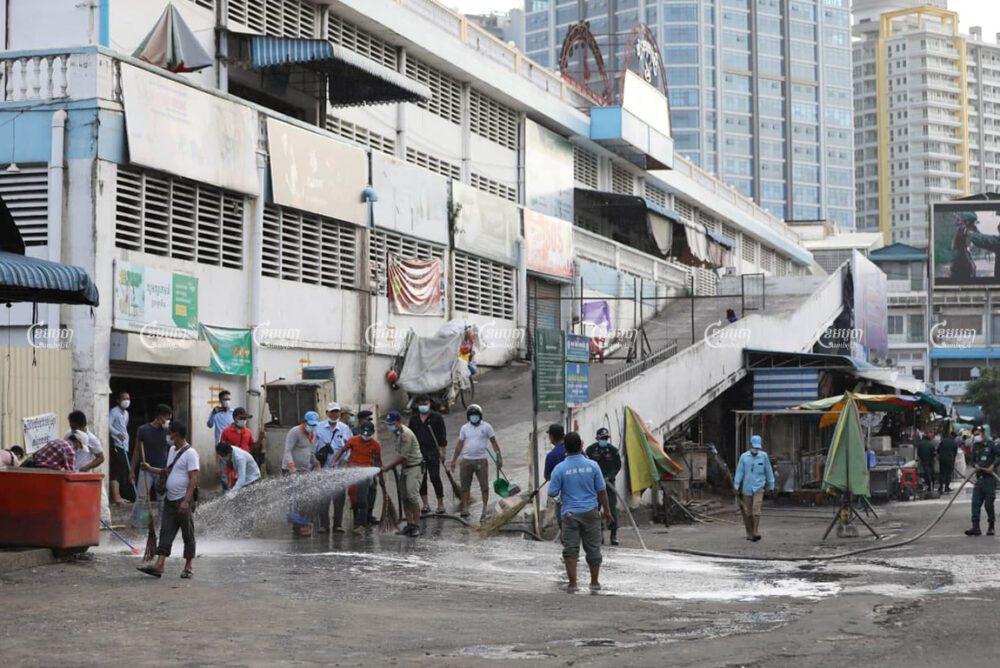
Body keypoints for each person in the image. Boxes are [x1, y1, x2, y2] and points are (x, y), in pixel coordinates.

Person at [548, 432, 615, 592]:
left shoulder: (560, 468)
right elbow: (602, 491)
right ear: (581, 445)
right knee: (593, 548)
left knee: (570, 549)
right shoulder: (593, 466)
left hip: (569, 514)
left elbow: (552, 492)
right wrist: (607, 512)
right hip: (591, 512)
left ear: (566, 448)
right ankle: (594, 582)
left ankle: (573, 584)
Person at [137, 421, 199, 579]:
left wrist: (186, 501)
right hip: (170, 500)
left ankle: (188, 566)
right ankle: (160, 565)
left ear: (176, 434)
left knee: (188, 534)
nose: (168, 436)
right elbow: (167, 472)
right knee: (166, 532)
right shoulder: (172, 450)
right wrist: (149, 468)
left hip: (183, 500)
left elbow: (193, 479)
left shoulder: (191, 453)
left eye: (170, 433)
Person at [449, 404, 503, 522]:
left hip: (481, 460)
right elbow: (459, 445)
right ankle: (465, 508)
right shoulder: (464, 428)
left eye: (476, 415)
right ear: (468, 417)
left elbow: (494, 443)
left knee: (484, 487)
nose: (474, 418)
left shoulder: (487, 427)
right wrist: (454, 460)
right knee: (465, 487)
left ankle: (484, 510)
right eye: (472, 416)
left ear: (480, 416)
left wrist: (499, 457)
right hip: (466, 461)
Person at [331, 422, 382, 534]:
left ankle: (361, 525)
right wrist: (334, 461)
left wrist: (380, 473)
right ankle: (356, 521)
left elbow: (378, 460)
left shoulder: (375, 445)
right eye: (364, 434)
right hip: (352, 472)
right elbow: (342, 451)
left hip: (365, 474)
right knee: (354, 498)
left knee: (363, 499)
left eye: (368, 434)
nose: (365, 436)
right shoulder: (353, 440)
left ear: (372, 433)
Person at [381, 411, 424, 537]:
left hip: (414, 467)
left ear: (398, 422)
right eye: (388, 424)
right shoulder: (397, 433)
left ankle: (416, 525)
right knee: (404, 496)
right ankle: (410, 524)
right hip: (405, 468)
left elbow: (403, 457)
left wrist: (388, 467)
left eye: (392, 424)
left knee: (412, 496)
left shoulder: (405, 434)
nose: (389, 426)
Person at [129, 405, 172, 530]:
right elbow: (137, 451)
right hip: (146, 470)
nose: (168, 421)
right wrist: (132, 470)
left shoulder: (168, 431)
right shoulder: (143, 430)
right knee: (141, 498)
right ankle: (135, 524)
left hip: (161, 470)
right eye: (167, 418)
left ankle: (162, 525)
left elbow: (173, 446)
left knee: (162, 500)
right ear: (160, 417)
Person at [317, 402, 354, 533]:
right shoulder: (319, 428)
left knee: (339, 499)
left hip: (339, 470)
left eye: (337, 411)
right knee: (324, 499)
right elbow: (314, 447)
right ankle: (324, 525)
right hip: (324, 469)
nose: (334, 414)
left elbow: (350, 447)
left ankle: (337, 524)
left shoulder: (345, 429)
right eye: (332, 411)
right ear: (327, 413)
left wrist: (345, 460)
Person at [282, 411, 320, 536]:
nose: (312, 427)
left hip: (304, 471)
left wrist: (316, 463)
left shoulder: (312, 434)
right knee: (295, 499)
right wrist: (292, 469)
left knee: (305, 498)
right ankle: (297, 527)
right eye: (310, 424)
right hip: (291, 470)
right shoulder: (295, 432)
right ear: (304, 422)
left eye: (314, 425)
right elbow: (287, 451)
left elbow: (310, 452)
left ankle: (302, 524)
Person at [408, 395, 448, 515]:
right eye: (421, 404)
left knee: (435, 477)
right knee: (421, 479)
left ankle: (440, 504)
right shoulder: (414, 419)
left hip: (433, 452)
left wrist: (443, 452)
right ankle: (425, 504)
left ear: (430, 404)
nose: (423, 406)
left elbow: (442, 437)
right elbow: (411, 437)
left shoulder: (437, 418)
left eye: (425, 403)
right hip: (419, 454)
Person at [733, 435, 775, 542]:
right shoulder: (744, 457)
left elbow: (768, 471)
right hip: (747, 487)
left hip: (759, 487)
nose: (756, 450)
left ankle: (756, 531)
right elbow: (739, 472)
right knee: (748, 511)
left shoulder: (763, 456)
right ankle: (750, 532)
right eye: (754, 447)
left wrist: (771, 485)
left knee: (757, 507)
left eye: (757, 448)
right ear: (750, 445)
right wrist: (736, 485)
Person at [585, 427, 622, 545]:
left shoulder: (613, 451)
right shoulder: (590, 450)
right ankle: (598, 534)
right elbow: (587, 465)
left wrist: (609, 477)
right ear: (597, 438)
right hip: (595, 485)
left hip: (609, 484)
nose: (604, 440)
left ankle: (613, 534)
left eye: (606, 438)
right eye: (602, 438)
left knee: (611, 509)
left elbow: (617, 466)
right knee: (595, 510)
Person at [965, 435, 1000, 536]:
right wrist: (974, 464)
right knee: (975, 503)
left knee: (988, 504)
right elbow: (972, 460)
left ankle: (991, 527)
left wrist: (993, 466)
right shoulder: (976, 447)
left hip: (989, 479)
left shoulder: (992, 446)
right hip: (979, 480)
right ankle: (975, 527)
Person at [218, 407, 255, 490]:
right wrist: (218, 467)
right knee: (232, 490)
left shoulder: (248, 432)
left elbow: (252, 447)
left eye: (245, 418)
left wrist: (260, 440)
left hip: (244, 466)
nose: (243, 420)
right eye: (241, 418)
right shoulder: (226, 431)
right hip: (231, 466)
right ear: (235, 418)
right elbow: (221, 450)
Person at [109, 391, 133, 504]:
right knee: (116, 471)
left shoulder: (127, 413)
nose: (126, 401)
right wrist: (117, 433)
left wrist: (122, 434)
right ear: (118, 400)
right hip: (117, 444)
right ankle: (116, 497)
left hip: (125, 445)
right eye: (124, 399)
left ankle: (118, 496)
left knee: (122, 471)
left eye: (128, 398)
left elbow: (124, 428)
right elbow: (108, 426)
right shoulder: (114, 412)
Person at [937, 428, 960, 494]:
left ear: (950, 435)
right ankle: (947, 487)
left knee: (942, 474)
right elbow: (955, 454)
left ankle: (940, 487)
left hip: (942, 459)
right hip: (950, 460)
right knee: (948, 474)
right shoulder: (955, 443)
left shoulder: (943, 441)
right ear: (954, 437)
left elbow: (938, 450)